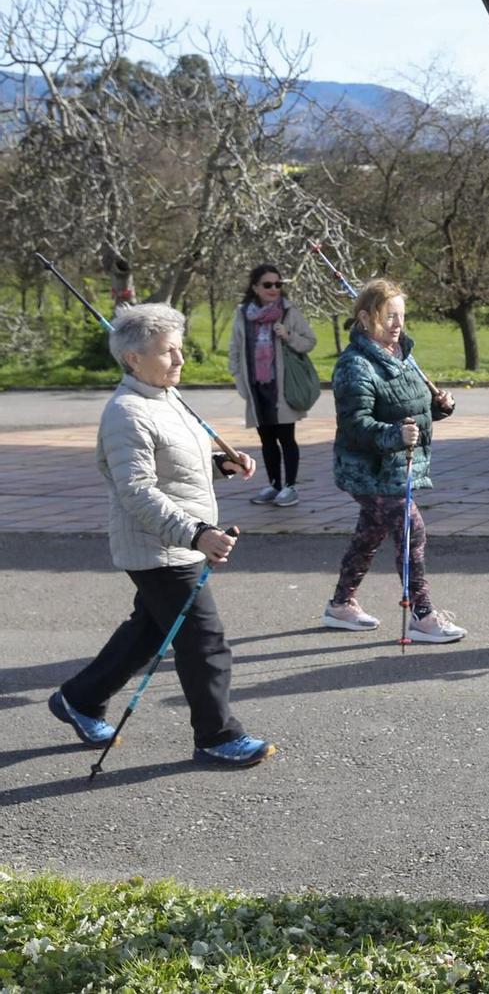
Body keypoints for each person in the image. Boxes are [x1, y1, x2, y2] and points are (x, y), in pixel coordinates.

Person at [49, 303, 274, 767]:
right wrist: (196, 534)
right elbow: (138, 492)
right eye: (168, 351)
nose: (180, 360)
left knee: (150, 631)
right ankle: (217, 735)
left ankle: (79, 699)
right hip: (159, 546)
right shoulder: (126, 413)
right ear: (133, 358)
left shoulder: (167, 398)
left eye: (180, 349)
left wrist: (220, 466)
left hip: (178, 540)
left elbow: (174, 467)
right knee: (204, 640)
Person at [324, 278, 463, 641]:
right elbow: (355, 425)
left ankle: (340, 605)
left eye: (401, 315)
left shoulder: (403, 356)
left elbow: (411, 408)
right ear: (366, 318)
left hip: (395, 466)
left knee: (370, 533)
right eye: (389, 316)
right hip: (369, 470)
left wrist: (438, 407)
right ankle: (423, 616)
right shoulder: (354, 365)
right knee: (410, 529)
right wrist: (393, 436)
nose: (397, 324)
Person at [227, 262, 318, 508]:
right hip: (257, 387)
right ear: (255, 287)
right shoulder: (243, 314)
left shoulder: (288, 311)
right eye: (268, 284)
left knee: (286, 437)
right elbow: (235, 349)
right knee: (266, 438)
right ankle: (274, 484)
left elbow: (310, 341)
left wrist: (287, 335)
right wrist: (238, 378)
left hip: (283, 386)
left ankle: (290, 487)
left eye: (278, 284)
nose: (274, 289)